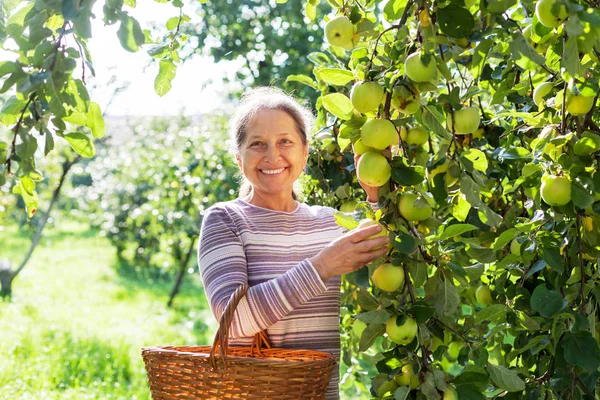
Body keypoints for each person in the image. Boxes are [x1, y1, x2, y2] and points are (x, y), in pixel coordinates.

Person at [198, 87, 389, 400]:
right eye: (257, 144)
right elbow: (232, 322)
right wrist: (323, 265)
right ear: (239, 156)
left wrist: (376, 194)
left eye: (285, 141)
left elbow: (387, 247)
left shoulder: (330, 222)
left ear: (305, 151)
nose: (272, 156)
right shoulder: (226, 220)